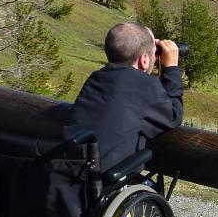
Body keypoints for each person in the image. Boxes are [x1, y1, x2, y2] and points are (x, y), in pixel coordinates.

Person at [63, 22, 184, 170]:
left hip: (70, 171)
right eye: (155, 50)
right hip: (103, 180)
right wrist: (171, 69)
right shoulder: (145, 86)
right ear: (144, 60)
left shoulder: (97, 77)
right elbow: (173, 115)